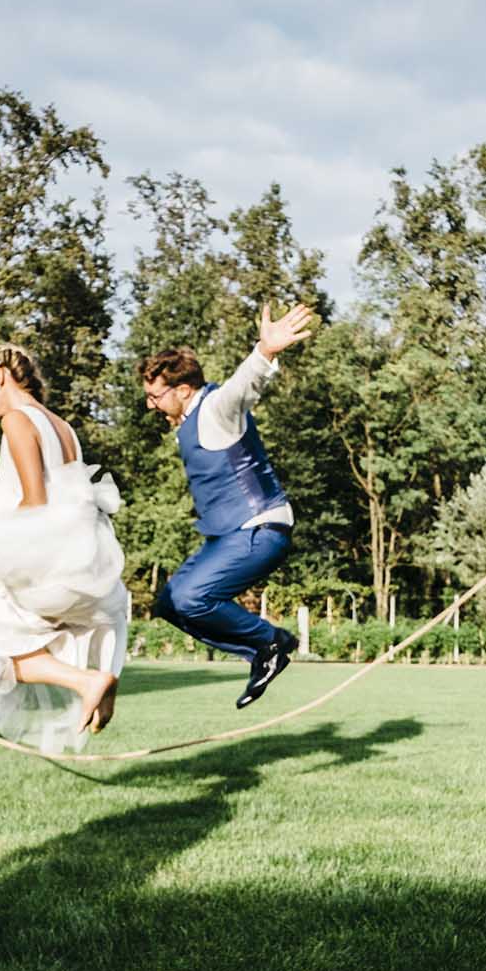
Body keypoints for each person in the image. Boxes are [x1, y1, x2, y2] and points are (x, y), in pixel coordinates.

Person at [0, 342, 128, 753]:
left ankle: (88, 681)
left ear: (0, 374)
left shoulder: (16, 420)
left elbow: (35, 501)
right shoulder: (62, 425)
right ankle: (101, 679)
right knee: (50, 632)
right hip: (86, 557)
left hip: (51, 558)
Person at [139, 302, 313, 709]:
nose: (150, 405)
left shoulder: (215, 409)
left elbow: (241, 387)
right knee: (169, 603)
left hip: (260, 527)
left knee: (192, 599)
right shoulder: (189, 422)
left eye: (154, 396)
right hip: (227, 536)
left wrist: (265, 352)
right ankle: (263, 653)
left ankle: (272, 642)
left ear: (182, 390)